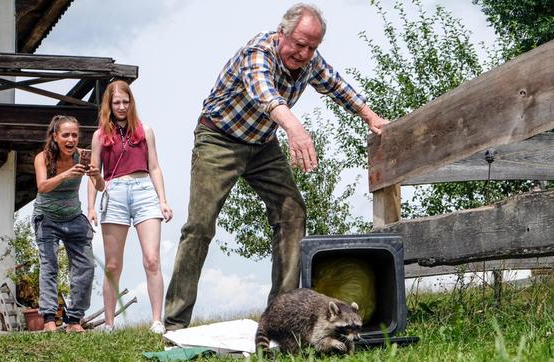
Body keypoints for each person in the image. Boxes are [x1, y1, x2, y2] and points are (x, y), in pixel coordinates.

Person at [163, 3, 389, 331]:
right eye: (299, 44)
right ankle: (175, 323)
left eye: (312, 47)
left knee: (292, 212)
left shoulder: (310, 60)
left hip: (261, 146)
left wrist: (371, 118)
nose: (303, 53)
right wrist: (294, 128)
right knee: (199, 226)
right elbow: (264, 94)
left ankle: (281, 319)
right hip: (219, 140)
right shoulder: (258, 53)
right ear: (282, 33)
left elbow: (338, 86)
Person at [87, 80, 173, 334]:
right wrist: (91, 206)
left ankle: (157, 320)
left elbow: (155, 167)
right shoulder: (100, 135)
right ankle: (110, 324)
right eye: (117, 103)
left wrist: (163, 200)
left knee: (152, 259)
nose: (122, 107)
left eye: (126, 102)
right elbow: (94, 174)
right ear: (109, 105)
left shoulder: (145, 130)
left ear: (131, 102)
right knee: (113, 264)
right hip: (114, 194)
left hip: (144, 190)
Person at [32, 115, 104, 332]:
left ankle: (74, 320)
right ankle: (49, 320)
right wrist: (66, 174)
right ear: (55, 137)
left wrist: (95, 174)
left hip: (74, 217)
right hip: (47, 218)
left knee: (86, 266)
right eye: (66, 135)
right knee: (49, 266)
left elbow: (100, 186)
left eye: (74, 134)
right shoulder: (43, 158)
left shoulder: (83, 156)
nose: (71, 139)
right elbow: (42, 186)